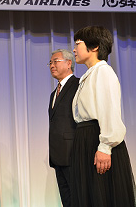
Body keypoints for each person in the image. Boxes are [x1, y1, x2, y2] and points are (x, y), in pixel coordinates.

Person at [71, 25, 136, 207]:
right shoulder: (90, 74)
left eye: (78, 43)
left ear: (94, 47)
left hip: (97, 139)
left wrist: (105, 147)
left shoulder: (103, 72)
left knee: (102, 196)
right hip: (86, 139)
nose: (74, 49)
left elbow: (109, 111)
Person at [48, 49, 79, 207]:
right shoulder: (54, 93)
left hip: (75, 153)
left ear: (69, 63)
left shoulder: (79, 85)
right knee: (67, 201)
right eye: (50, 63)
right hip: (58, 155)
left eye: (55, 61)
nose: (52, 65)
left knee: (79, 198)